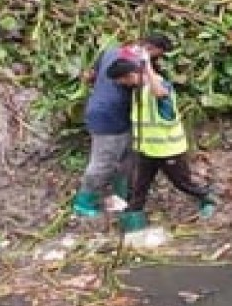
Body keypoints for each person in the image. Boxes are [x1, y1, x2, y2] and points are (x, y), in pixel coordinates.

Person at [105, 57, 216, 233]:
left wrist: (146, 65)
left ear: (132, 75)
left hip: (168, 150)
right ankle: (133, 214)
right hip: (147, 150)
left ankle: (207, 198)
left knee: (182, 182)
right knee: (139, 185)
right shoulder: (138, 91)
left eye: (123, 80)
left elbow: (160, 93)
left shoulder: (158, 87)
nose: (122, 84)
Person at [70, 33, 175, 218]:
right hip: (109, 116)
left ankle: (121, 195)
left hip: (109, 112)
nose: (156, 59)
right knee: (104, 162)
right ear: (150, 49)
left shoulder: (111, 51)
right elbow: (155, 89)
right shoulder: (137, 64)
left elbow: (90, 76)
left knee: (126, 157)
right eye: (156, 55)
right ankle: (83, 202)